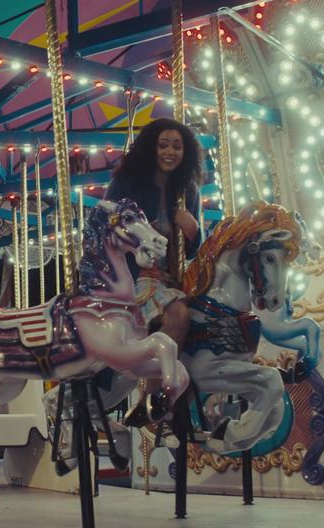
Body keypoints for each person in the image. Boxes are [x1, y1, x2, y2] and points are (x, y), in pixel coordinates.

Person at [105, 117, 203, 426]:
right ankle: (152, 396)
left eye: (177, 146)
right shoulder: (128, 182)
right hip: (132, 278)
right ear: (151, 147)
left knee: (198, 317)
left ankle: (173, 400)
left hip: (169, 281)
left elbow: (192, 252)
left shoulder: (188, 191)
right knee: (178, 317)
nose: (170, 152)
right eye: (163, 145)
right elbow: (106, 225)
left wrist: (194, 230)